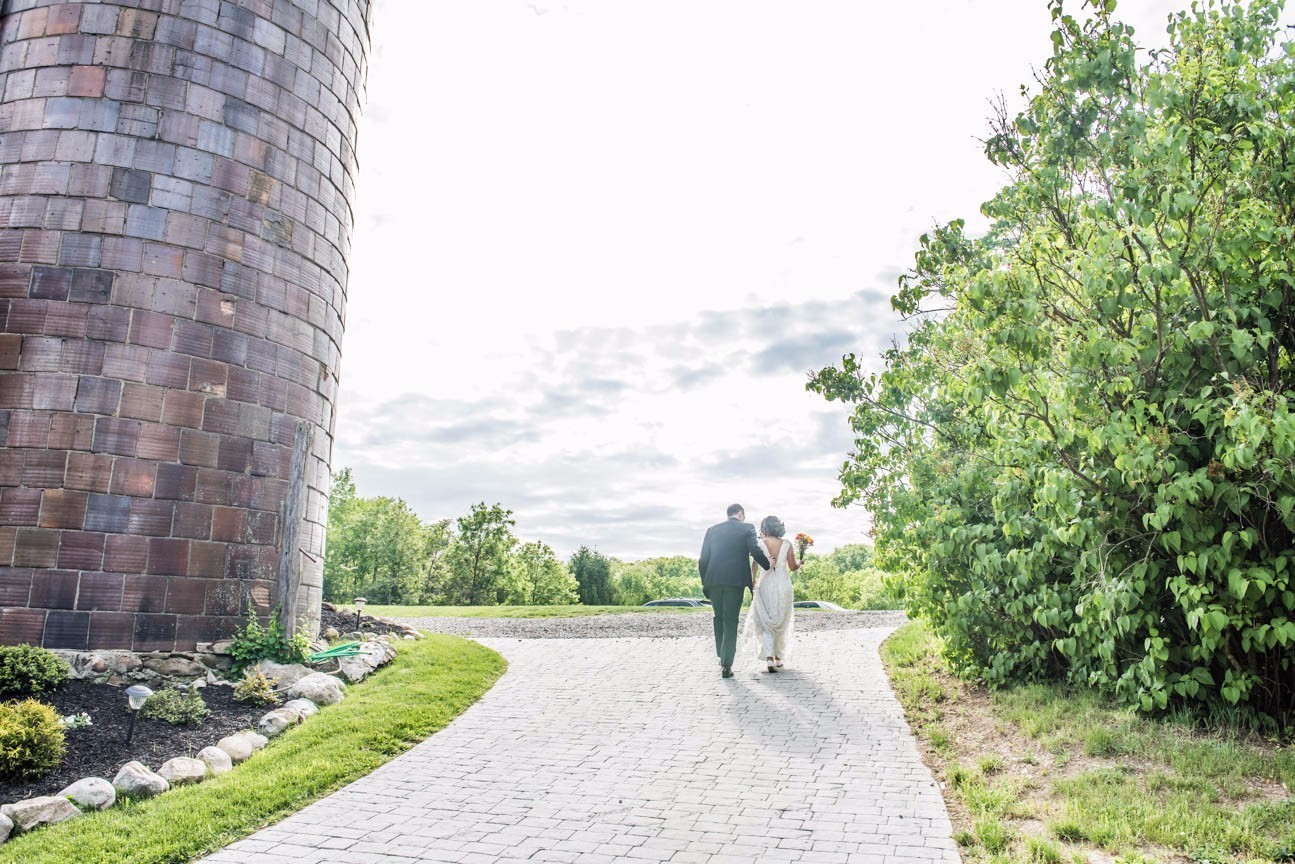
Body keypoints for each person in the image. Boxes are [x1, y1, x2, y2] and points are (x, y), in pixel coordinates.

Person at [699, 504, 771, 678]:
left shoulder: (712, 530)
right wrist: (769, 566)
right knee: (731, 621)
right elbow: (755, 551)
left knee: (719, 618)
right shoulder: (747, 528)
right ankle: (726, 665)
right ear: (741, 514)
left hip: (714, 581)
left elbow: (703, 560)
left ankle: (722, 656)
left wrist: (705, 583)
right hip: (735, 582)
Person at [745, 515, 799, 672]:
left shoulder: (760, 543)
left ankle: (769, 658)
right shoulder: (787, 544)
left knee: (766, 619)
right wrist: (800, 564)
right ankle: (778, 657)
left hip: (766, 582)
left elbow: (754, 564)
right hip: (783, 583)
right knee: (781, 619)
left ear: (765, 528)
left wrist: (753, 580)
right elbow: (793, 567)